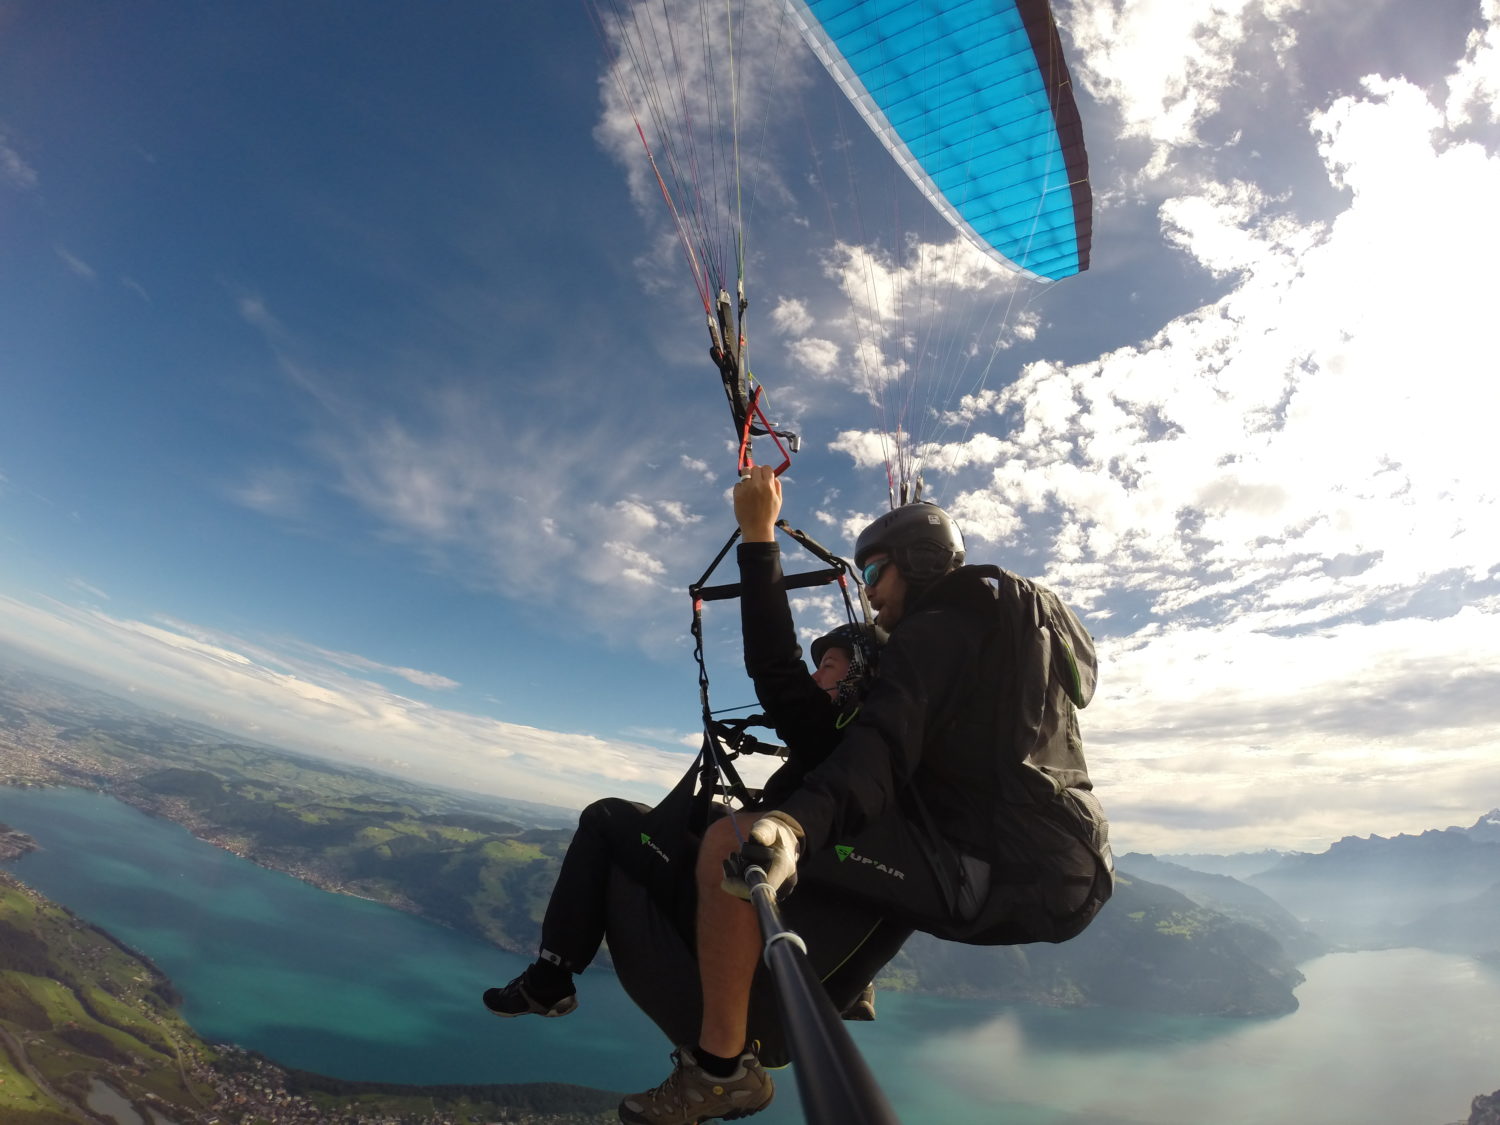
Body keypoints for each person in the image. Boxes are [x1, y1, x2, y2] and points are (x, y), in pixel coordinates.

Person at [618, 480, 1110, 1125]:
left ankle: (718, 1073)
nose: (868, 586)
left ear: (922, 564)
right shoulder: (979, 639)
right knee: (757, 837)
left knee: (731, 843)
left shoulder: (938, 634)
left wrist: (793, 826)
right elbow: (792, 683)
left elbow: (880, 749)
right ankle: (839, 978)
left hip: (990, 870)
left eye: (876, 569)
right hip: (1036, 863)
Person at [481, 467, 892, 1034]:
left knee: (606, 819)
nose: (817, 679)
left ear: (856, 682)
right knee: (681, 818)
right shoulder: (874, 754)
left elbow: (775, 667)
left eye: (829, 667)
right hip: (801, 900)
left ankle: (550, 982)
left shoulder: (833, 736)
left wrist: (758, 535)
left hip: (751, 904)